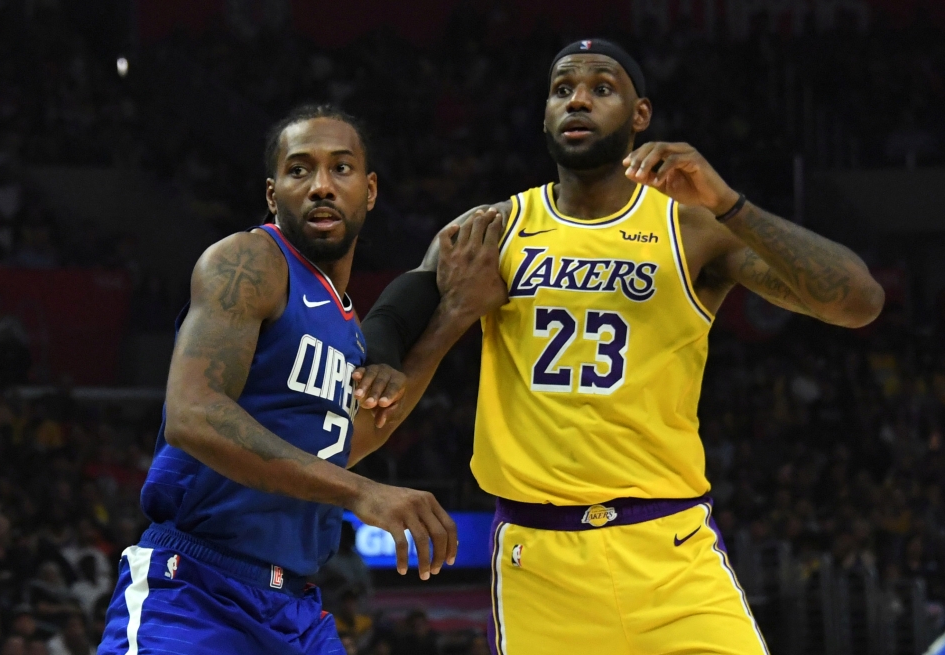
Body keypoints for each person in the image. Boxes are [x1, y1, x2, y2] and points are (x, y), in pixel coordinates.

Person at [357, 39, 885, 654]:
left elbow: (858, 302)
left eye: (601, 88)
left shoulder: (692, 229)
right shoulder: (493, 228)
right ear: (545, 113)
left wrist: (730, 204)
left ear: (641, 115)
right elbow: (390, 325)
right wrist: (414, 338)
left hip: (670, 554)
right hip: (539, 563)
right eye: (561, 89)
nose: (578, 98)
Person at [98, 105, 457, 655]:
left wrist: (454, 319)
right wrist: (363, 494)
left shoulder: (348, 330)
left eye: (341, 168)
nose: (320, 186)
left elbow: (353, 440)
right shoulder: (250, 262)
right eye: (299, 169)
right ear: (272, 194)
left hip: (296, 611)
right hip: (196, 590)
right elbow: (193, 416)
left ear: (370, 190)